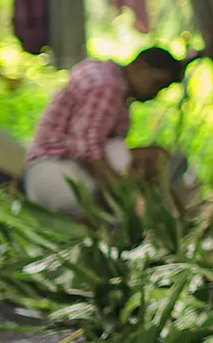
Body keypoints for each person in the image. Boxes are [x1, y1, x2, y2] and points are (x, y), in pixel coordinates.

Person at [21, 47, 185, 218]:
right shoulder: (107, 86)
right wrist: (125, 196)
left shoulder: (105, 74)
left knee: (127, 156)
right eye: (156, 84)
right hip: (55, 177)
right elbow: (86, 148)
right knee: (144, 157)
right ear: (140, 66)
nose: (154, 93)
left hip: (41, 177)